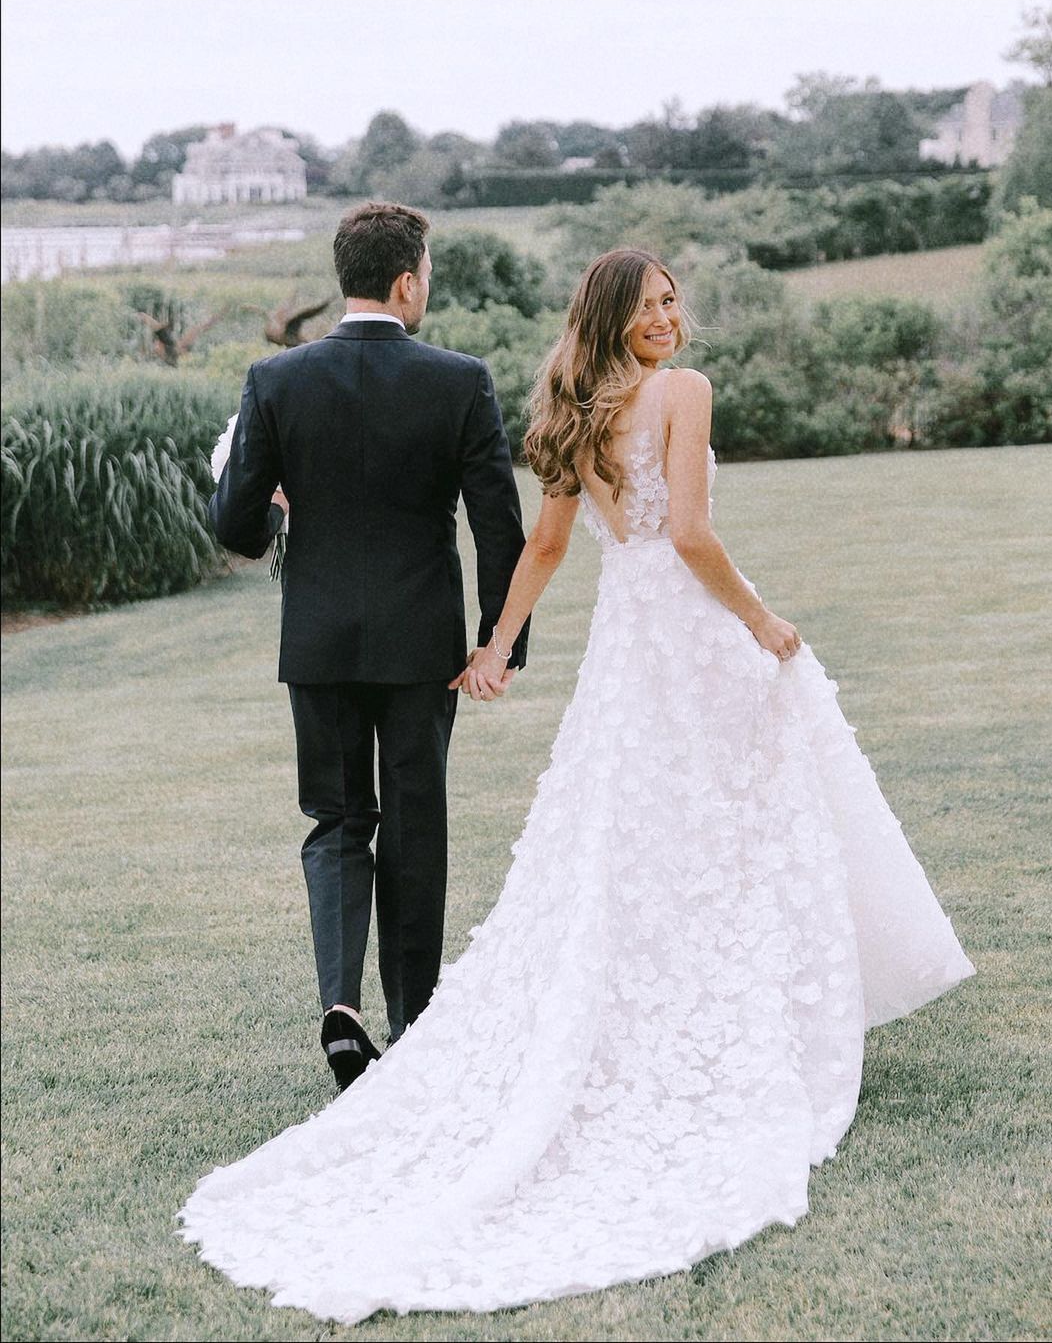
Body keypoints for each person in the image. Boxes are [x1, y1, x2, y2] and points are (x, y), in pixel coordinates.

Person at [181, 247, 974, 1323]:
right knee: (723, 826)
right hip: (684, 636)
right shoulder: (682, 395)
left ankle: (594, 1008)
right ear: (613, 315)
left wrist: (497, 646)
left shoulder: (574, 411)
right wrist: (759, 620)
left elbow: (551, 547)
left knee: (627, 836)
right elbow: (684, 533)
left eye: (671, 302)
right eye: (650, 305)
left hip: (612, 648)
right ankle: (739, 1023)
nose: (669, 318)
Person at [207, 202, 528, 1089]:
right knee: (415, 825)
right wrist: (500, 642)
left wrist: (267, 499)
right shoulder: (459, 380)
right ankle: (416, 1020)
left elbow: (236, 526)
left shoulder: (275, 380)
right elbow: (500, 528)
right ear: (406, 281)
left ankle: (341, 1005)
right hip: (423, 645)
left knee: (339, 820)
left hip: (316, 642)